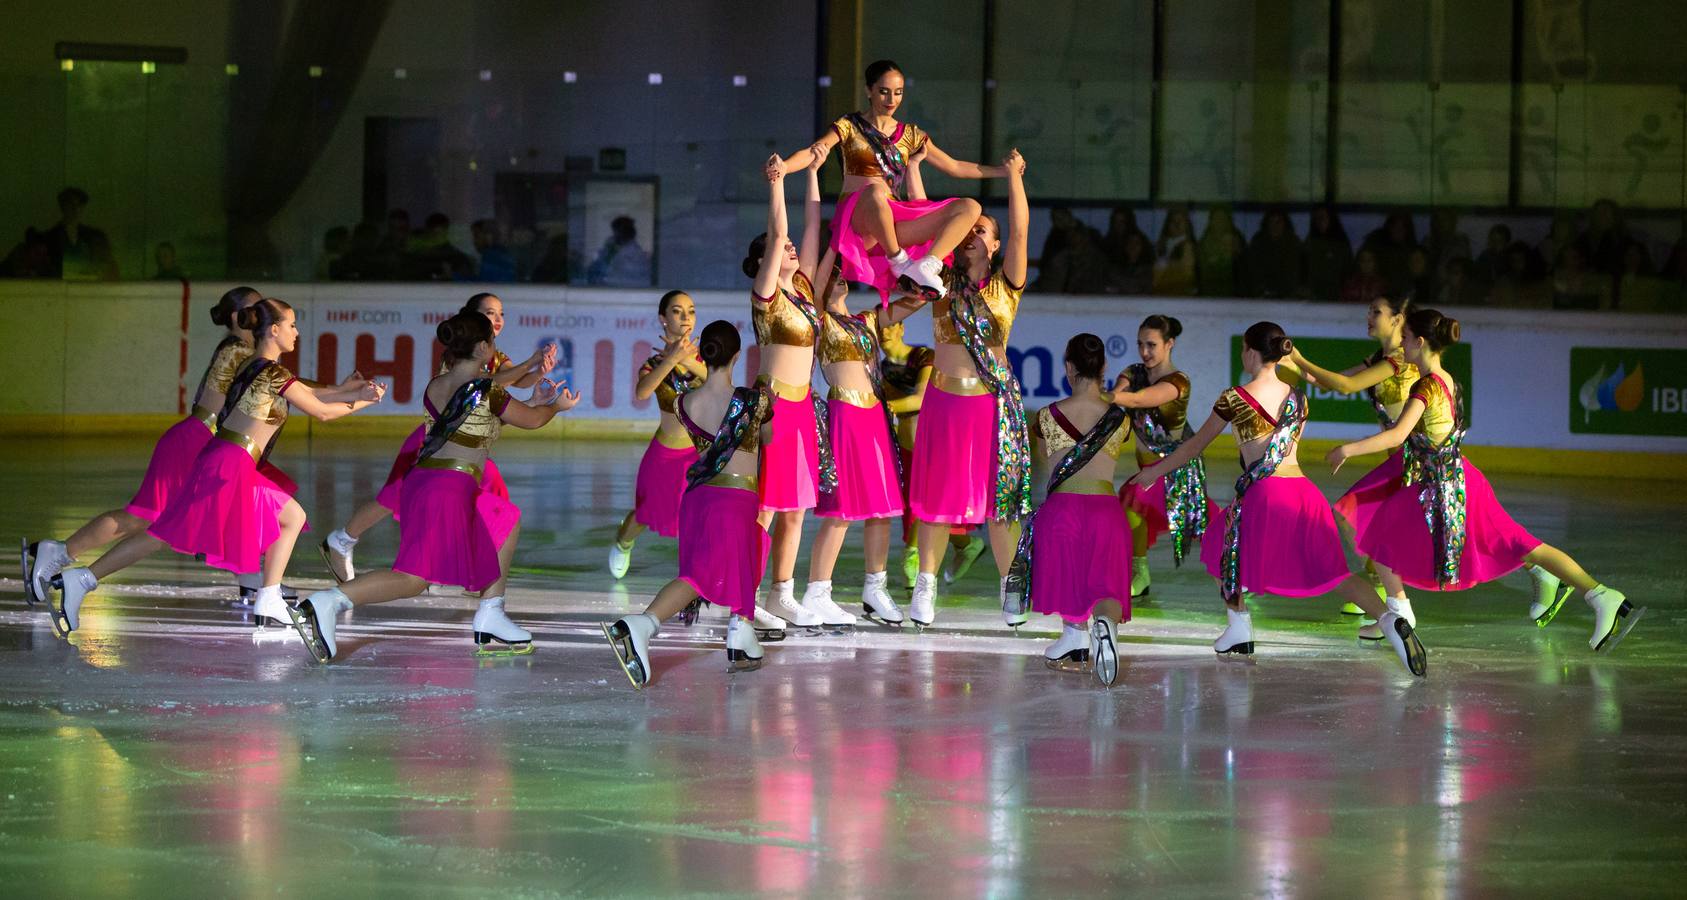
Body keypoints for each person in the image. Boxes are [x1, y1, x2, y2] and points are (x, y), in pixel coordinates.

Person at [45, 298, 387, 637]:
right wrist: (362, 400)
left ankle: (84, 579)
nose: (297, 332)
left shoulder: (256, 367)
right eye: (293, 325)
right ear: (274, 329)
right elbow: (321, 412)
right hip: (228, 464)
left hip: (226, 461)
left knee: (175, 532)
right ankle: (266, 596)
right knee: (176, 531)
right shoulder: (271, 371)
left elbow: (312, 395)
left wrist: (347, 391)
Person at [1326, 308, 1643, 654]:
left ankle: (1600, 596)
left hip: (1444, 488)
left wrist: (1348, 449)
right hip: (1455, 479)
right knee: (1515, 544)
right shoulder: (1447, 379)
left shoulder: (1425, 387)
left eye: (1405, 339)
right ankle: (1600, 596)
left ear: (1419, 342)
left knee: (1388, 533)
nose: (1400, 343)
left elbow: (1397, 436)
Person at [1128, 322, 1427, 676]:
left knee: (1218, 546)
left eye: (1244, 350)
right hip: (1303, 492)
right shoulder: (1298, 398)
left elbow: (1193, 447)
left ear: (1252, 353)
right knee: (1337, 574)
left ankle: (1239, 626)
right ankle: (1389, 620)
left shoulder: (1234, 398)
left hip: (1265, 494)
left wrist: (1154, 471)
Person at [293, 310, 580, 663]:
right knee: (413, 579)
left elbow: (478, 423)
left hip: (429, 483)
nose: (495, 346)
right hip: (448, 488)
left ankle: (491, 611)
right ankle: (327, 602)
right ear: (481, 348)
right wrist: (555, 407)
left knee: (504, 519)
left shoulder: (436, 385)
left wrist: (536, 403)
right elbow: (532, 421)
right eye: (491, 341)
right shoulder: (486, 389)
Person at [24, 287, 264, 605]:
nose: (263, 312)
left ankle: (253, 581)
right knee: (147, 519)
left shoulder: (240, 349)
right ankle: (60, 552)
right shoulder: (239, 351)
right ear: (237, 317)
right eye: (256, 307)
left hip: (201, 439)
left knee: (220, 510)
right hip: (195, 441)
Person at [320, 293, 555, 581]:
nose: (496, 319)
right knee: (394, 496)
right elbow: (481, 388)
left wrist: (536, 371)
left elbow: (512, 380)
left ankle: (463, 566)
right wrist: (530, 363)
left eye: (500, 313)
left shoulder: (491, 355)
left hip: (466, 443)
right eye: (489, 313)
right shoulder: (458, 357)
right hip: (435, 441)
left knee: (486, 497)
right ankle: (343, 539)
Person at [602, 321, 778, 688]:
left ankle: (741, 629)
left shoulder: (684, 402)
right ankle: (644, 625)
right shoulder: (753, 401)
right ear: (735, 355)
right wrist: (769, 404)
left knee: (745, 552)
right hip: (734, 499)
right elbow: (768, 437)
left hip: (698, 499)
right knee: (699, 578)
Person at [908, 148, 1032, 628]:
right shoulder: (938, 281)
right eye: (969, 230)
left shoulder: (1007, 286)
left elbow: (1021, 229)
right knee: (938, 502)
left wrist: (1015, 177)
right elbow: (927, 221)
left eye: (982, 230)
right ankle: (926, 587)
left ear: (997, 246)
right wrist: (916, 169)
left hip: (991, 406)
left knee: (998, 503)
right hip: (943, 402)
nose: (972, 235)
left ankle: (1009, 586)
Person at [775, 59, 1008, 303]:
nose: (891, 100)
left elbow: (954, 166)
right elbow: (814, 150)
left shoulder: (911, 134)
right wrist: (785, 167)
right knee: (875, 190)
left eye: (898, 93)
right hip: (859, 224)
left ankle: (927, 265)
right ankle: (899, 261)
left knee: (970, 207)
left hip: (891, 225)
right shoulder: (849, 126)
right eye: (884, 92)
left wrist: (1004, 172)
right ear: (869, 90)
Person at [1005, 334, 1132, 686]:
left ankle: (1074, 634)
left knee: (1070, 575)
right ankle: (1102, 626)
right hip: (1106, 511)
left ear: (1069, 368)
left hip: (1063, 511)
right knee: (1106, 585)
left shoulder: (1047, 416)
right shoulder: (1120, 420)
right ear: (1104, 367)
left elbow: (1046, 469)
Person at [1109, 315, 1219, 599]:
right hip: (1147, 467)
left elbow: (1136, 400)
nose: (1144, 351)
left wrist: (1092, 393)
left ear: (1169, 344)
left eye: (1151, 345)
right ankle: (1140, 573)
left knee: (1200, 526)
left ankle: (1234, 568)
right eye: (1140, 344)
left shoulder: (1178, 382)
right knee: (1131, 509)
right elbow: (1121, 395)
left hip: (1177, 469)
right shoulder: (1133, 372)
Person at [608, 290, 703, 578]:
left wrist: (687, 361)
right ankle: (623, 543)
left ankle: (696, 571)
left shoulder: (707, 360)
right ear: (663, 319)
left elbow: (722, 384)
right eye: (677, 311)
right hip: (664, 452)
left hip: (698, 453)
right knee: (645, 513)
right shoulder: (652, 365)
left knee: (699, 512)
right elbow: (642, 391)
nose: (686, 317)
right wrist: (670, 360)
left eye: (691, 310)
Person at [43, 186, 118, 280]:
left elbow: (107, 266)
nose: (75, 209)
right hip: (58, 288)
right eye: (70, 204)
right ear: (62, 206)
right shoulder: (49, 238)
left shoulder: (95, 237)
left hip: (88, 288)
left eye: (79, 204)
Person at [1246, 209, 1301, 298]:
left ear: (1284, 224)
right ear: (1267, 224)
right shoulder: (1258, 243)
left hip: (1288, 297)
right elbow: (1252, 271)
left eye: (1278, 222)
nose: (1274, 226)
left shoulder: (1293, 244)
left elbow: (1296, 272)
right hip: (1262, 296)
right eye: (1271, 222)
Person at [1302, 205, 1353, 302]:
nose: (1320, 221)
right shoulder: (1309, 244)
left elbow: (1348, 272)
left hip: (1337, 298)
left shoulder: (1341, 245)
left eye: (1323, 218)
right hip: (1312, 298)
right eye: (1317, 218)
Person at [585, 216, 653, 287]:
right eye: (614, 232)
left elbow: (623, 277)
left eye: (617, 232)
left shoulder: (636, 255)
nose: (615, 235)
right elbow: (595, 268)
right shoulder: (610, 247)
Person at [1151, 205, 1198, 296]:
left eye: (1180, 221)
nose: (1177, 224)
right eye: (1173, 221)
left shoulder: (1188, 246)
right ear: (1167, 224)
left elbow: (1187, 276)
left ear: (1187, 224)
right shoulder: (1160, 246)